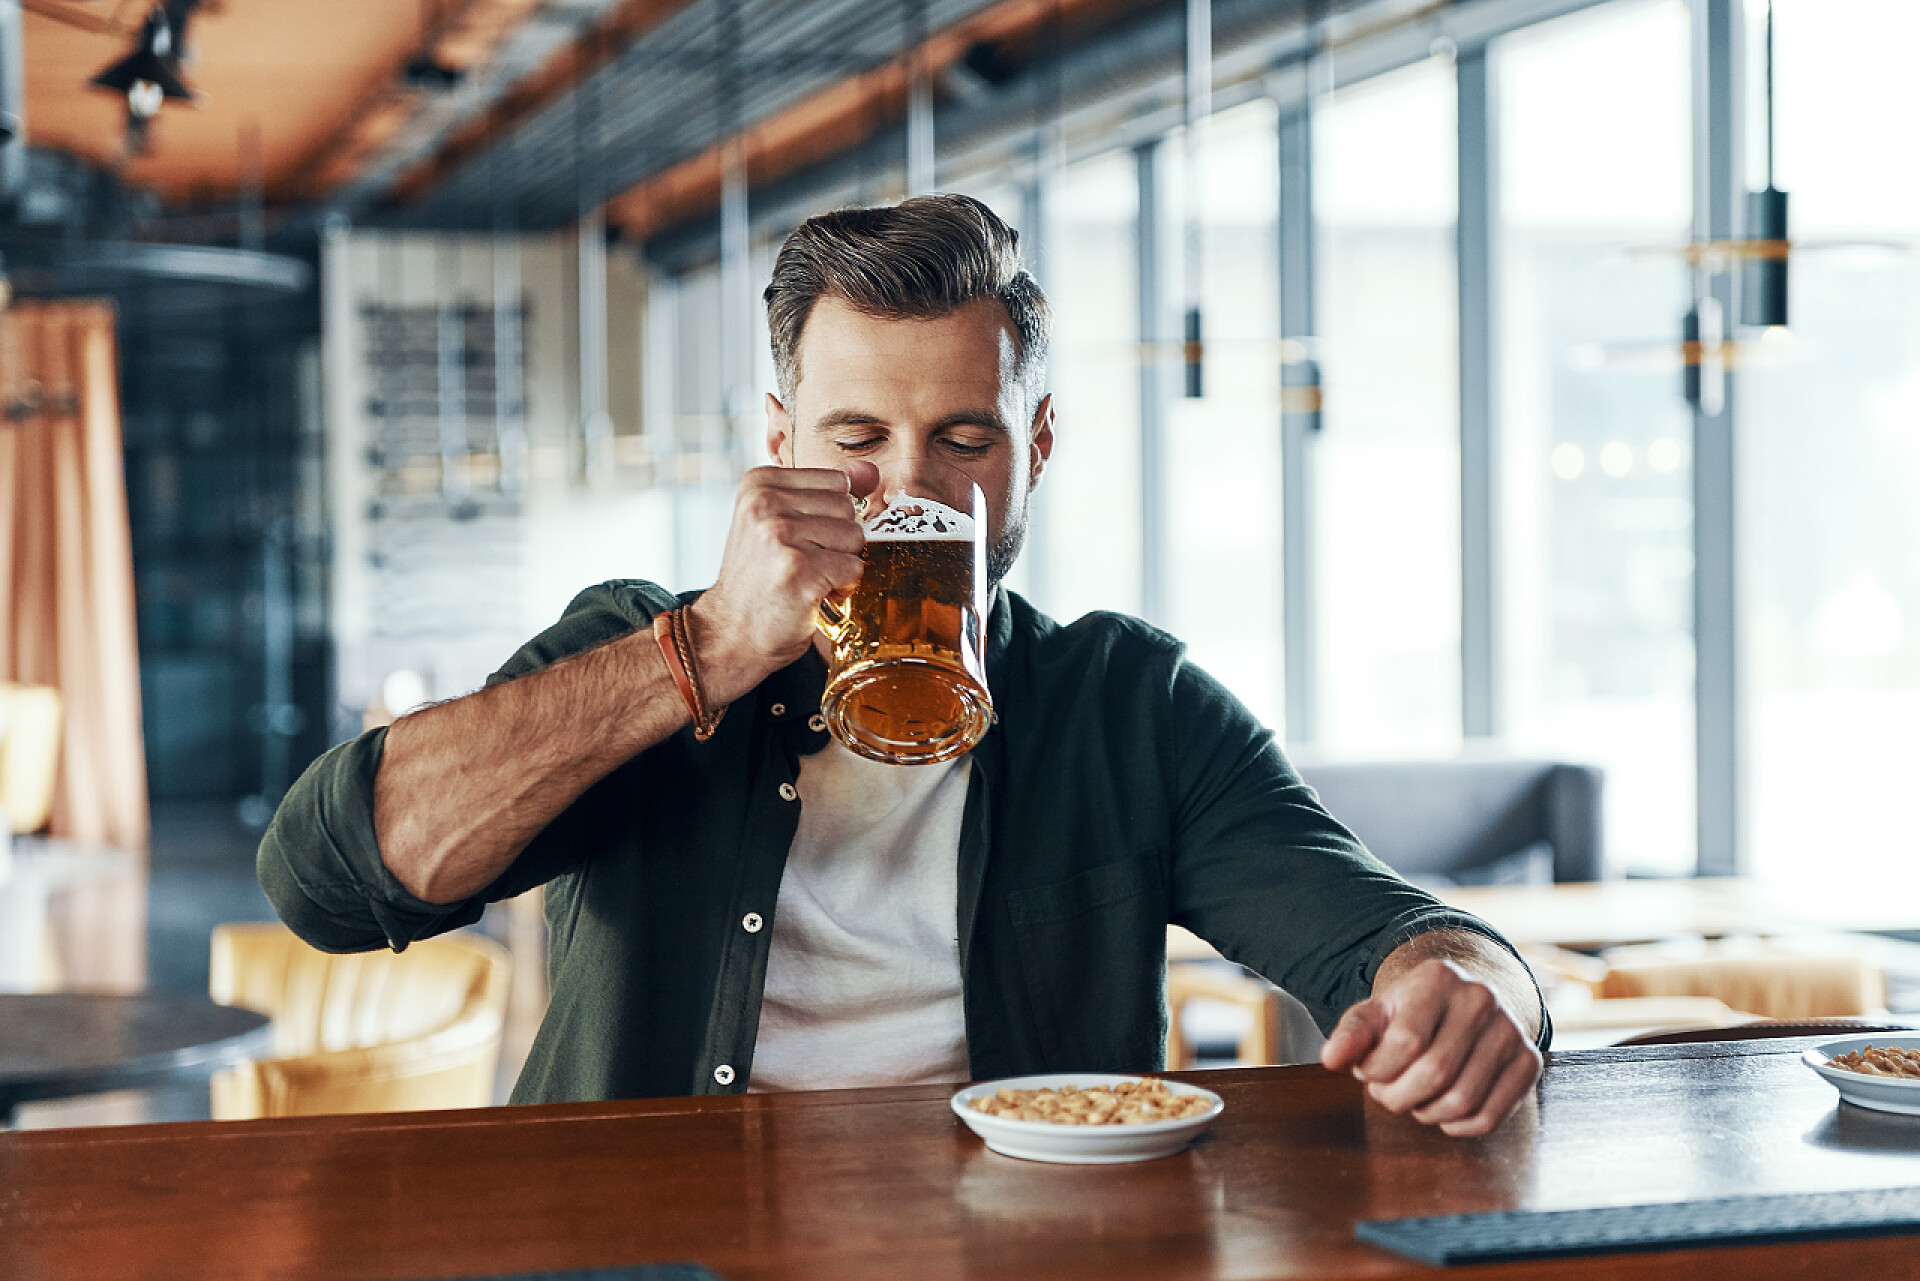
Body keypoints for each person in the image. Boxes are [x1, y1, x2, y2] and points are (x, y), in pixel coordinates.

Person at [261, 195, 1546, 1137]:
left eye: (964, 441)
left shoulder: (1129, 708)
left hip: (1008, 1248)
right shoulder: (643, 647)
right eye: (857, 439)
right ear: (779, 442)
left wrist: (1473, 993)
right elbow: (327, 880)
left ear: (1035, 447)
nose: (910, 496)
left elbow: (1389, 935)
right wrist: (703, 650)